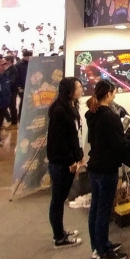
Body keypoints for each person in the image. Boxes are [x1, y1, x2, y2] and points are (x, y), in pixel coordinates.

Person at [86, 80, 130, 259]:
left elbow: (110, 139)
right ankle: (103, 254)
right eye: (114, 92)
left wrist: (129, 136)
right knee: (103, 212)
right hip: (106, 169)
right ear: (109, 94)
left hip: (95, 167)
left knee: (96, 209)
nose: (115, 95)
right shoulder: (109, 117)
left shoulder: (92, 113)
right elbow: (120, 146)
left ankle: (98, 246)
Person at [47, 77, 85, 249]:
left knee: (60, 198)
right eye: (78, 87)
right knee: (58, 200)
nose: (81, 89)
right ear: (69, 90)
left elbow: (73, 136)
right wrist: (71, 160)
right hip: (61, 163)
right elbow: (59, 141)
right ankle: (59, 237)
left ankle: (60, 232)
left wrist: (79, 156)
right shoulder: (59, 111)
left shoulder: (70, 107)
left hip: (68, 160)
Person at [16, 50, 32, 119]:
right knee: (23, 101)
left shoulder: (31, 63)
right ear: (25, 56)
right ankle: (20, 115)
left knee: (29, 101)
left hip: (29, 85)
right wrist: (19, 86)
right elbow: (17, 76)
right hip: (22, 86)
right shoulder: (19, 65)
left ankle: (27, 115)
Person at [4, 55, 19, 127]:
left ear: (9, 61)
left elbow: (12, 80)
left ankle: (14, 121)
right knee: (9, 105)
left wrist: (6, 83)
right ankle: (10, 119)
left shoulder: (13, 69)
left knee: (12, 105)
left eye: (5, 60)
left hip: (12, 90)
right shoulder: (7, 68)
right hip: (8, 90)